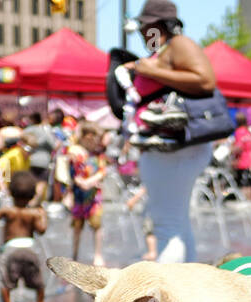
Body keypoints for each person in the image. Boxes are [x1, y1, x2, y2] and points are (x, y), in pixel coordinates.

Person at [125, 0, 218, 263]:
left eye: (145, 27)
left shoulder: (179, 44)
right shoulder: (166, 49)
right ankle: (185, 292)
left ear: (157, 25)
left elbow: (205, 80)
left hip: (175, 148)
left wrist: (149, 70)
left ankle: (166, 299)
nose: (143, 34)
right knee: (175, 222)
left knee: (167, 224)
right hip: (172, 149)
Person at [0, 171, 48, 302]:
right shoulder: (34, 213)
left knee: (6, 280)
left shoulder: (7, 211)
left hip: (11, 250)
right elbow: (42, 230)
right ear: (32, 195)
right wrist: (44, 215)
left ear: (10, 193)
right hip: (30, 249)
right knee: (37, 280)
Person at [67, 122, 107, 264]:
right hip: (79, 196)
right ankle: (74, 254)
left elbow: (103, 171)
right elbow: (74, 174)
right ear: (88, 137)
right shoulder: (76, 153)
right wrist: (82, 183)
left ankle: (98, 254)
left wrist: (90, 181)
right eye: (96, 139)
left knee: (96, 225)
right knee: (77, 226)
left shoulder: (98, 154)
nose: (98, 142)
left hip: (94, 196)